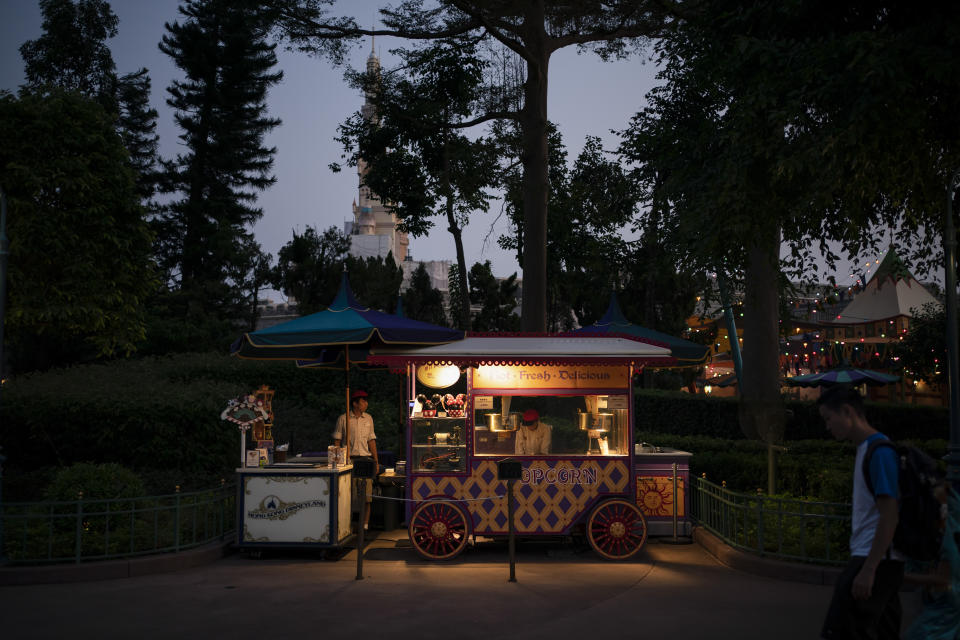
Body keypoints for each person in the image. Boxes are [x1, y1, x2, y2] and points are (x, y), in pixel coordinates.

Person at [818, 385, 904, 639]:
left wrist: (869, 568)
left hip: (873, 558)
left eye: (828, 419)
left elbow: (890, 514)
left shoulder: (879, 453)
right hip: (878, 560)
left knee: (841, 630)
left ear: (847, 411)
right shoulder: (869, 450)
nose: (828, 427)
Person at [333, 389, 379, 531]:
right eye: (363, 401)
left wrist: (376, 461)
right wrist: (338, 460)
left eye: (366, 400)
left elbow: (371, 441)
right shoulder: (343, 418)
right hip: (350, 461)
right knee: (349, 494)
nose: (366, 403)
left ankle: (364, 525)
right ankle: (349, 525)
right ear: (355, 403)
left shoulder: (369, 418)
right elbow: (337, 441)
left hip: (365, 459)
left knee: (367, 495)